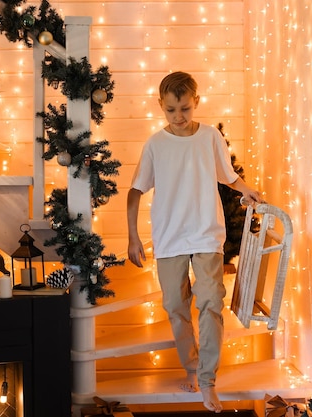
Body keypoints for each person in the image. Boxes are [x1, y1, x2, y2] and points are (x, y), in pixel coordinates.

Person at [126, 71, 263, 413]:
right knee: (175, 305)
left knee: (211, 302)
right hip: (170, 238)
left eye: (185, 108)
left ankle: (206, 380)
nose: (179, 117)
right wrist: (132, 237)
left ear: (196, 102)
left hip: (205, 232)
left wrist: (247, 190)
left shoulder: (210, 137)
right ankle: (191, 366)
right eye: (171, 110)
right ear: (161, 107)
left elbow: (227, 175)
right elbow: (134, 191)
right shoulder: (156, 145)